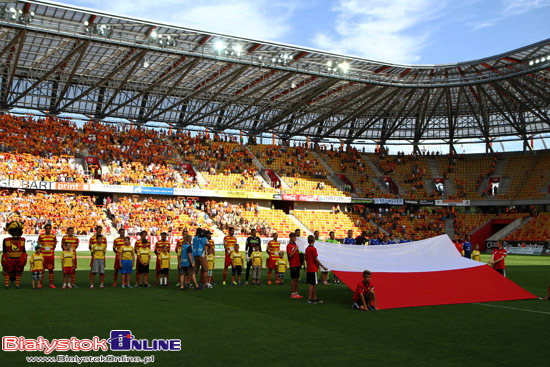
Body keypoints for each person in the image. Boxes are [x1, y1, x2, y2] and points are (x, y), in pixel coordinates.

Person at [2, 221, 27, 289]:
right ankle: (6, 284)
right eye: (14, 231)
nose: (16, 233)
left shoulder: (22, 240)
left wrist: (23, 258)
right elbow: (4, 252)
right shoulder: (6, 240)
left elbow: (23, 250)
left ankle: (17, 284)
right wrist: (5, 259)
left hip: (18, 259)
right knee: (7, 270)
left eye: (17, 231)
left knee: (18, 271)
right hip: (10, 259)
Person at [305, 235, 328, 304]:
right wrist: (323, 266)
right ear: (314, 241)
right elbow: (316, 259)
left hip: (309, 268)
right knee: (312, 284)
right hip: (313, 268)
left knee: (313, 284)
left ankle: (314, 298)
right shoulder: (313, 249)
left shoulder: (307, 249)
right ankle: (309, 298)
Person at [38, 223, 57, 288]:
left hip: (50, 255)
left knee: (51, 269)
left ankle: (51, 284)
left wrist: (50, 250)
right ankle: (40, 284)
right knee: (42, 270)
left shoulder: (53, 236)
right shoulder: (41, 236)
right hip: (43, 255)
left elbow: (54, 245)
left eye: (49, 228)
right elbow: (39, 244)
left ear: (51, 229)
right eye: (47, 228)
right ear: (45, 229)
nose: (48, 230)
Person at [287, 232, 303, 299]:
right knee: (293, 279)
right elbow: (290, 255)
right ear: (291, 237)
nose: (295, 239)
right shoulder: (289, 246)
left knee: (296, 279)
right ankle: (293, 293)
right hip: (293, 264)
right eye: (294, 237)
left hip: (297, 264)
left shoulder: (296, 244)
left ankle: (296, 292)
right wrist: (295, 249)